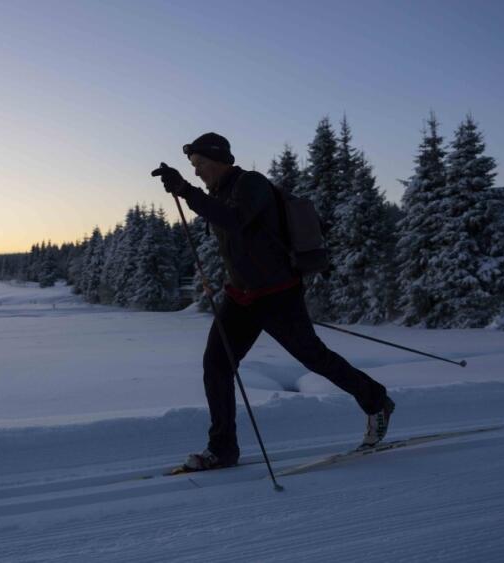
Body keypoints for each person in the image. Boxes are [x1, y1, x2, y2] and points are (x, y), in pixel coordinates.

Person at [152, 132, 395, 472]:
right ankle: (222, 450)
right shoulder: (217, 193)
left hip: (277, 294)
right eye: (193, 167)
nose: (196, 172)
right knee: (217, 366)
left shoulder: (251, 184)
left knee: (314, 357)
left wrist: (185, 192)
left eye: (200, 164)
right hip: (240, 298)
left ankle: (376, 401)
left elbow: (235, 220)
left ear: (221, 160)